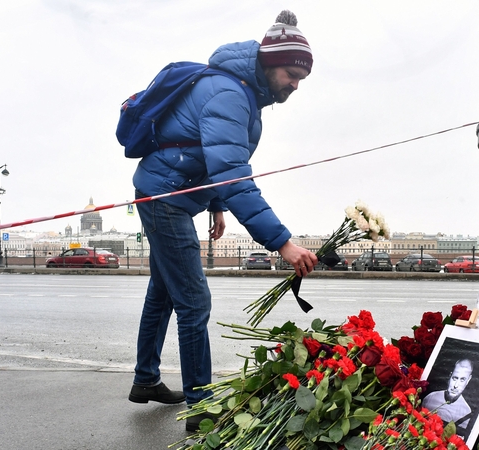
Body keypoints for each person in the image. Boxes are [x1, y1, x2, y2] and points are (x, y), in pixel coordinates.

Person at [126, 10, 319, 432]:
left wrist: (216, 206)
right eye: (291, 73)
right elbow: (232, 171)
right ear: (268, 63)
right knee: (194, 303)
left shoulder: (245, 92)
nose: (296, 85)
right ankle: (201, 407)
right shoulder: (230, 94)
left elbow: (212, 156)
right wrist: (282, 242)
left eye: (301, 77)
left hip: (168, 192)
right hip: (165, 199)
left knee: (163, 293)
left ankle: (146, 379)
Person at [422, 359, 474, 436]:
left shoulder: (466, 413)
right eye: (455, 378)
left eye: (462, 380)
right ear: (450, 375)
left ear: (468, 380)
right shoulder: (430, 398)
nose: (456, 385)